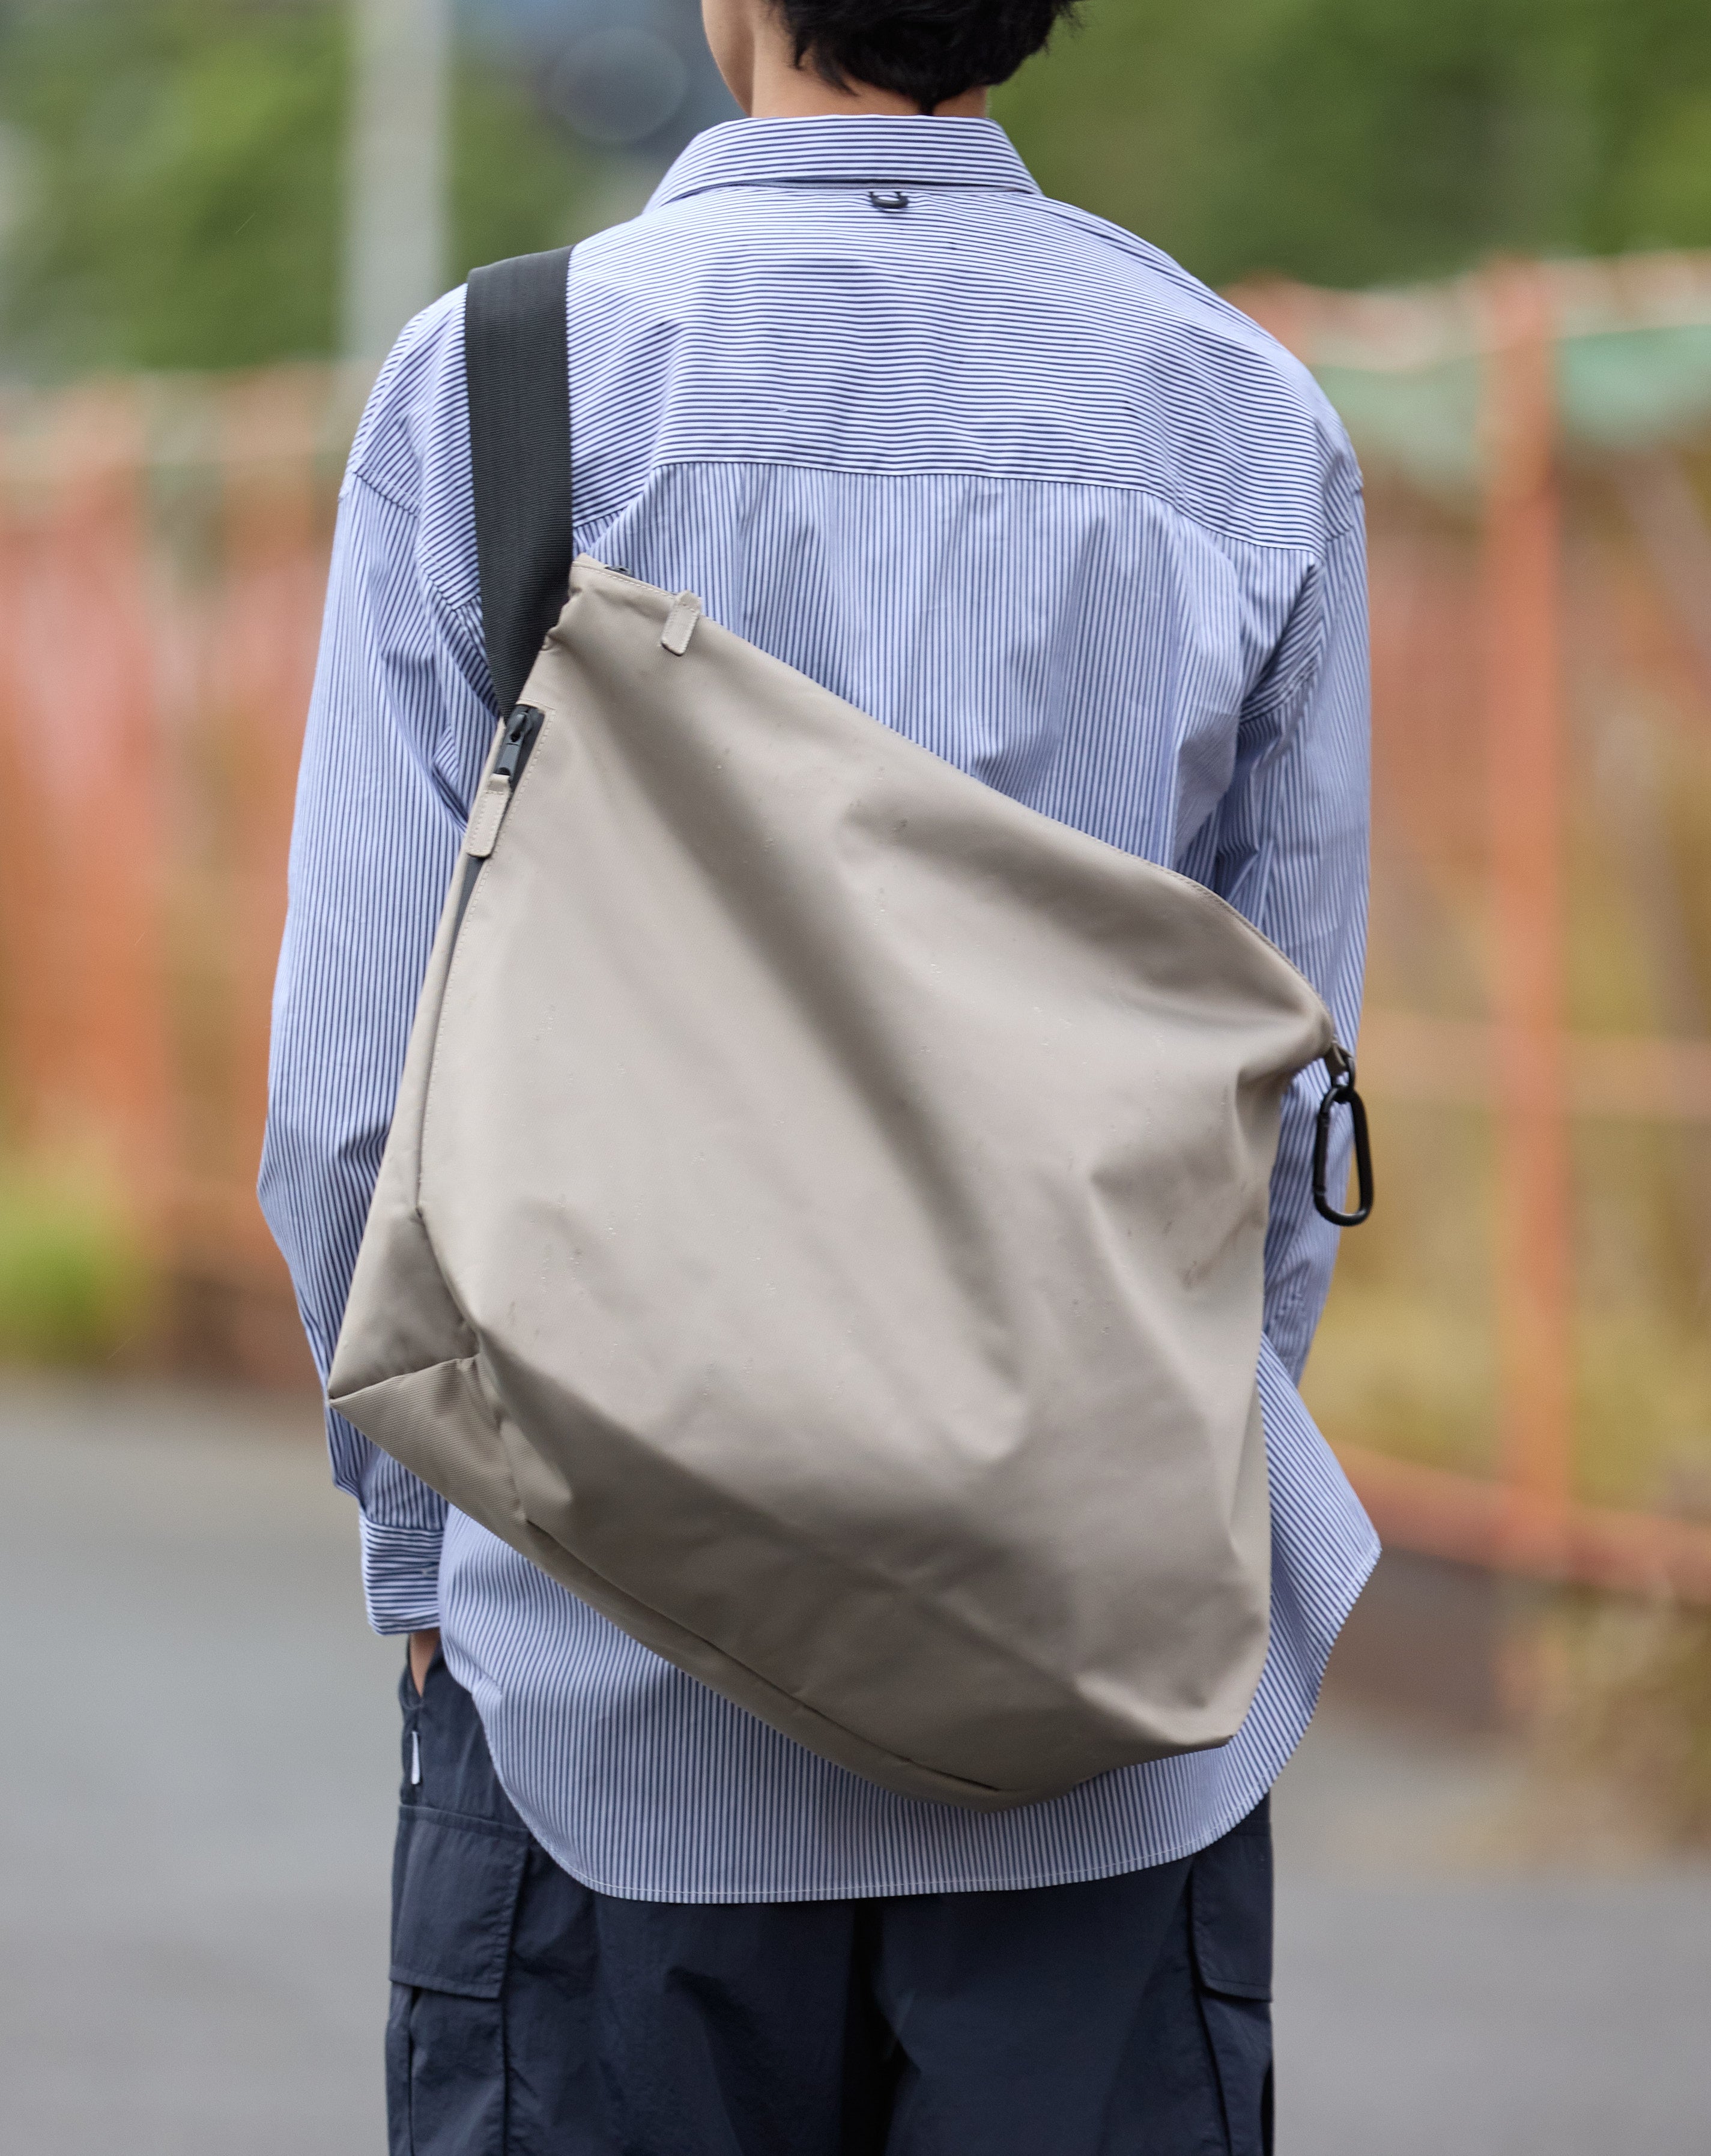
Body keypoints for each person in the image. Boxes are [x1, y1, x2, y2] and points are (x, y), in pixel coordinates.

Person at [261, 0, 1376, 2147]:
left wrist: (431, 1567)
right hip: (1103, 1733)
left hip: (602, 1686)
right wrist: (1163, 1509)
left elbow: (353, 1114)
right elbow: (1283, 1098)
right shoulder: (1238, 416)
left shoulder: (508, 387)